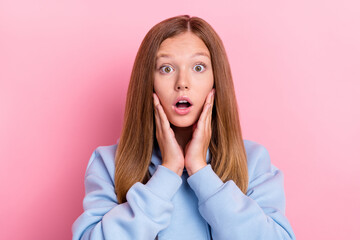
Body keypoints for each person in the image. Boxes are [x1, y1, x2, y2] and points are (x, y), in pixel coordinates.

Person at [72, 15, 296, 240]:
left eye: (198, 67)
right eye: (166, 69)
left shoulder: (253, 161)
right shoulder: (108, 163)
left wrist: (200, 171)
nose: (182, 82)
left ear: (216, 81)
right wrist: (168, 172)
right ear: (147, 82)